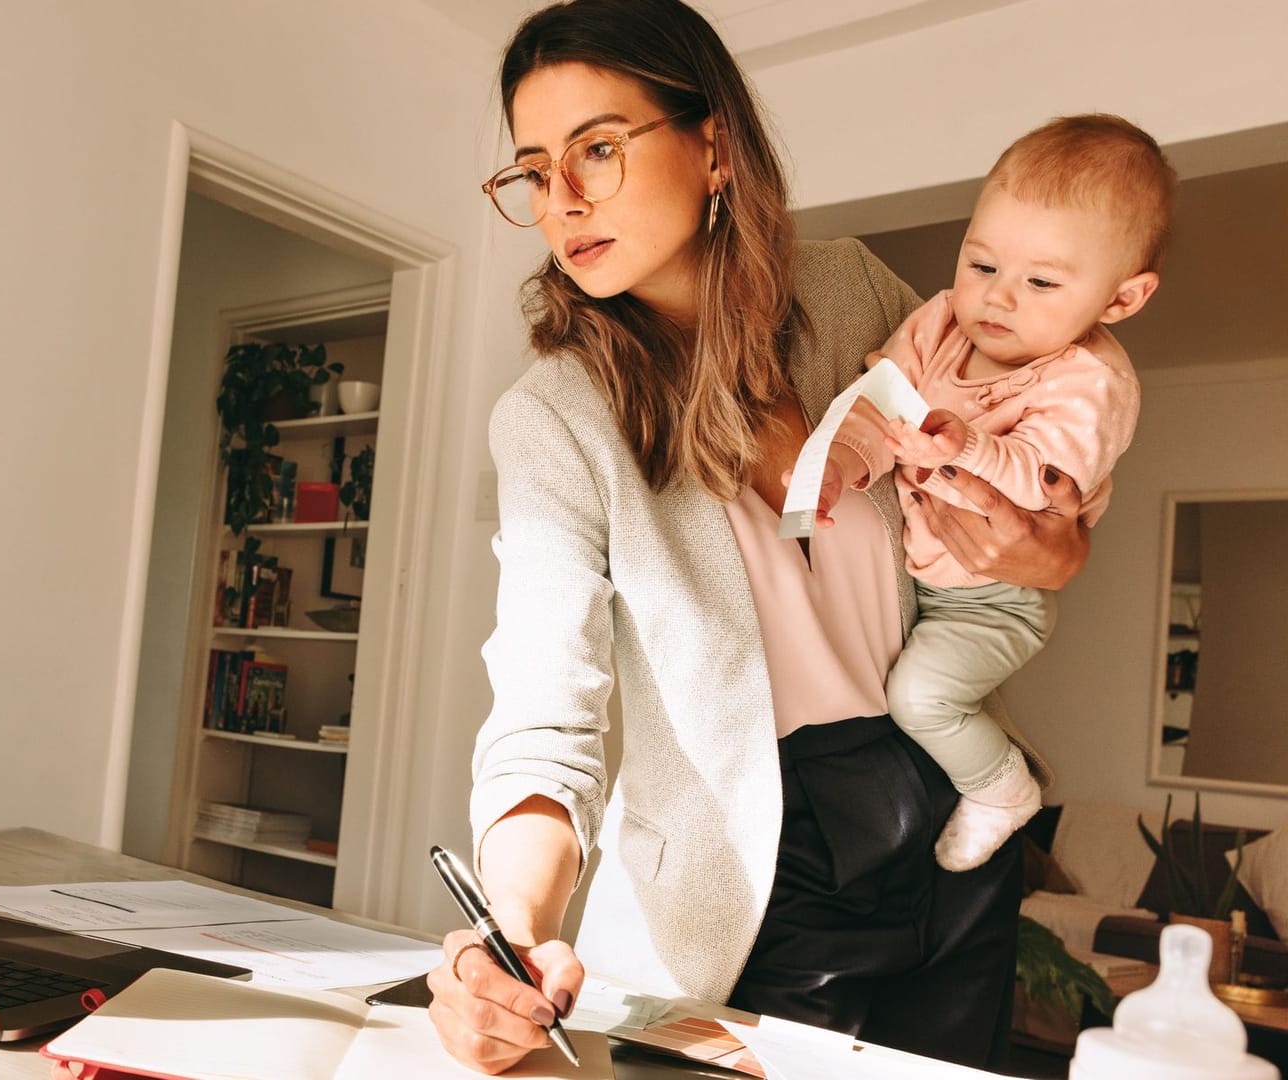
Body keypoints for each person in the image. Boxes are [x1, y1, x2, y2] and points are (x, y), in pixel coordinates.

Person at [429, 0, 1091, 1073]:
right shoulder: (555, 416)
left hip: (947, 800)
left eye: (598, 148)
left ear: (716, 146)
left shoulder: (852, 291)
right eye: (536, 170)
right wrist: (513, 923)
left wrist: (1054, 548)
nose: (564, 201)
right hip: (755, 864)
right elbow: (547, 713)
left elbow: (1009, 478)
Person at [810, 115, 1173, 873]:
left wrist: (967, 447)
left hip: (995, 599)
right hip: (922, 577)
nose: (997, 299)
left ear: (1122, 299)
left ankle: (1003, 787)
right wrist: (843, 459)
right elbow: (881, 402)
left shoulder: (1090, 382)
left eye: (1040, 282)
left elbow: (1046, 482)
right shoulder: (940, 322)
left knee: (920, 699)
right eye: (981, 264)